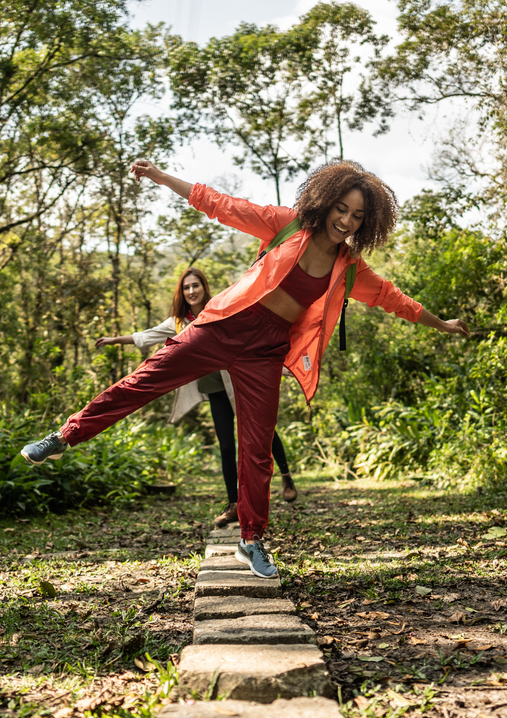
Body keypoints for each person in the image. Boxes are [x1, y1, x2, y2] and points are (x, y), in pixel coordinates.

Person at [23, 159, 469, 579]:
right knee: (143, 382)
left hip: (267, 350)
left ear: (366, 223)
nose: (346, 221)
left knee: (256, 448)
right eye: (341, 209)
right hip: (222, 326)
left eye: (357, 216)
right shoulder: (286, 224)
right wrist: (161, 177)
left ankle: (252, 539)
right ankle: (65, 437)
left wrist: (443, 324)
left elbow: (395, 300)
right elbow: (218, 203)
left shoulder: (350, 268)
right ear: (324, 202)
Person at [94, 267, 299, 527]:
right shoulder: (178, 323)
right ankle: (233, 504)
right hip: (214, 389)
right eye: (186, 287)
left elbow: (249, 336)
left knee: (263, 431)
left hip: (238, 382)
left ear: (204, 287)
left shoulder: (221, 308)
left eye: (196, 286)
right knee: (226, 447)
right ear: (182, 292)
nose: (191, 291)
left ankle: (286, 474)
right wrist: (114, 340)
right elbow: (147, 336)